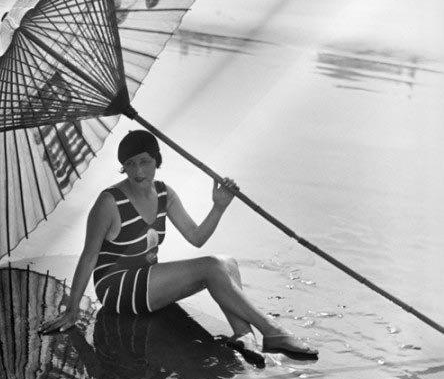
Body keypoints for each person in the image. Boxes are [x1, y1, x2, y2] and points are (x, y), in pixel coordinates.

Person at [40, 129, 318, 363]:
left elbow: (196, 237)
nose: (138, 171)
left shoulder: (164, 193)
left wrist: (218, 207)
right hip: (117, 287)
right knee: (211, 266)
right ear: (123, 166)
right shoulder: (109, 202)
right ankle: (272, 331)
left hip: (147, 282)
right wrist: (72, 309)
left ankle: (243, 335)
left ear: (157, 161)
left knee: (227, 263)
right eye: (130, 164)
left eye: (145, 161)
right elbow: (89, 257)